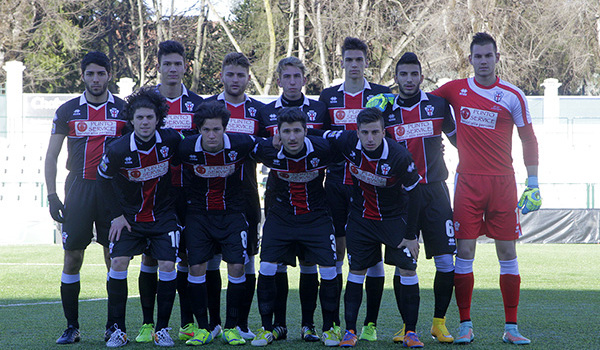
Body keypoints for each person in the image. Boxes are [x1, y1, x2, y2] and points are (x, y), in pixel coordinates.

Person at [432, 32, 541, 345]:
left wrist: (533, 181)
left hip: (504, 184)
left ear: (496, 58)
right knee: (464, 253)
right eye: (477, 56)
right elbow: (422, 103)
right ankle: (465, 324)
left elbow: (528, 139)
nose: (483, 61)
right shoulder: (455, 89)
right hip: (467, 182)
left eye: (488, 56)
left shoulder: (512, 95)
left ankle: (512, 327)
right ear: (470, 59)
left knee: (507, 252)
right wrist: (389, 99)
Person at [367, 52, 458, 344]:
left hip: (435, 191)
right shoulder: (386, 109)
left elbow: (461, 140)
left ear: (421, 76)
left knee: (446, 261)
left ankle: (439, 323)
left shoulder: (438, 105)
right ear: (396, 77)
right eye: (403, 74)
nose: (409, 80)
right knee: (403, 260)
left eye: (414, 74)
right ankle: (408, 327)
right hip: (401, 196)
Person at [317, 108, 424, 348]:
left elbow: (416, 195)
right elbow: (318, 136)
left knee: (407, 270)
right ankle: (351, 332)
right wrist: (281, 139)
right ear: (357, 133)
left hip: (394, 220)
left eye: (375, 132)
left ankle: (411, 332)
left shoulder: (399, 156)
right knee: (356, 271)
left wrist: (411, 236)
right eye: (365, 133)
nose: (370, 138)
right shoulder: (346, 142)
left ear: (384, 132)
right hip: (361, 219)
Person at [44, 51, 127, 344]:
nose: (95, 79)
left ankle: (114, 327)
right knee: (72, 258)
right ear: (82, 76)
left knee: (114, 258)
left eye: (100, 73)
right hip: (78, 189)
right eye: (90, 73)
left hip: (112, 191)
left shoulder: (123, 109)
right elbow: (52, 155)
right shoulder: (67, 111)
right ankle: (72, 327)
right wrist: (52, 195)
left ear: (109, 75)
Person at [318, 37, 392, 341]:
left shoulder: (382, 94)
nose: (353, 65)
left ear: (366, 62)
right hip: (337, 182)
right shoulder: (328, 96)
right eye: (348, 60)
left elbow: (393, 133)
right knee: (337, 250)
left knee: (371, 254)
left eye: (359, 60)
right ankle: (335, 322)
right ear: (342, 63)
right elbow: (319, 136)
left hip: (371, 185)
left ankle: (370, 324)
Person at [97, 86, 183, 347]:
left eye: (150, 117)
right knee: (118, 262)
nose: (145, 122)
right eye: (140, 118)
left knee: (168, 266)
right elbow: (102, 182)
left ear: (158, 118)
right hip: (130, 219)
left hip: (163, 217)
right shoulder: (117, 149)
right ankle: (118, 330)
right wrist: (117, 216)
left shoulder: (172, 141)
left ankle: (163, 329)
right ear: (131, 120)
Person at [250, 108, 340, 347]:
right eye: (286, 131)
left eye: (297, 131)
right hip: (281, 217)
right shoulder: (265, 149)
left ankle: (329, 328)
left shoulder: (324, 148)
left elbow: (351, 142)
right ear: (277, 134)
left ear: (306, 131)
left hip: (316, 217)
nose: (292, 137)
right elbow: (240, 145)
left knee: (329, 270)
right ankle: (267, 328)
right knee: (267, 267)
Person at [135, 40, 204, 344]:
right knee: (151, 259)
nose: (173, 69)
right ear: (158, 66)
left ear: (185, 66)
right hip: (155, 194)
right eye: (167, 64)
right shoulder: (145, 103)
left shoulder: (199, 105)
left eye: (178, 63)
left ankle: (187, 324)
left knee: (187, 257)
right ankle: (149, 323)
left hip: (189, 192)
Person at [256, 56, 328, 341]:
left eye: (297, 76)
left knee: (310, 264)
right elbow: (256, 145)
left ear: (305, 80)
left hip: (313, 197)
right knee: (277, 264)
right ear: (279, 81)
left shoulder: (320, 108)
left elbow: (328, 144)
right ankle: (279, 324)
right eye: (286, 77)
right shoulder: (265, 112)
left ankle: (308, 324)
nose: (292, 82)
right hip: (279, 198)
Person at [177, 101, 257, 346]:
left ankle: (231, 328)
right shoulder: (184, 147)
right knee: (196, 267)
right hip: (198, 215)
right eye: (206, 130)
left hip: (233, 213)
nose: (211, 135)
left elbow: (270, 147)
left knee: (237, 267)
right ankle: (204, 328)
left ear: (225, 128)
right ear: (198, 129)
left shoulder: (243, 144)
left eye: (217, 130)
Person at [202, 52, 266, 340]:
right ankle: (214, 322)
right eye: (230, 74)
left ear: (248, 78)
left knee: (248, 259)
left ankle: (240, 323)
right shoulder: (207, 108)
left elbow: (270, 147)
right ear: (222, 76)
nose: (235, 79)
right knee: (213, 259)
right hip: (210, 196)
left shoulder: (259, 111)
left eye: (241, 74)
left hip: (246, 195)